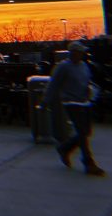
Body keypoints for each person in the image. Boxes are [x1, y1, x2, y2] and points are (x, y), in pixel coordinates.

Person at [42, 40, 105, 176]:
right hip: (71, 102)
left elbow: (88, 82)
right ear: (72, 53)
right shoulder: (63, 67)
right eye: (79, 52)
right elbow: (53, 85)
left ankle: (64, 148)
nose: (81, 54)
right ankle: (88, 163)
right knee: (82, 132)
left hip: (85, 102)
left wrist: (92, 92)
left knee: (86, 132)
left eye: (82, 52)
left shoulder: (84, 66)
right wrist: (45, 101)